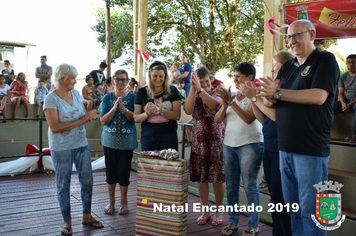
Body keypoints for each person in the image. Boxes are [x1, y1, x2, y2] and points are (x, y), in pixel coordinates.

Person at [258, 20, 339, 236]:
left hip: (309, 149)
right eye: (288, 37)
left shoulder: (325, 60)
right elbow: (271, 101)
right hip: (285, 147)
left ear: (311, 34)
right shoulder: (287, 66)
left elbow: (319, 96)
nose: (291, 41)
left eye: (296, 35)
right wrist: (265, 95)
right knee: (293, 208)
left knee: (311, 212)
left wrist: (276, 94)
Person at [239, 50, 295, 236]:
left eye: (275, 64)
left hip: (283, 148)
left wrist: (255, 97)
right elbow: (264, 120)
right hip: (270, 145)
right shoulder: (273, 88)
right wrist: (252, 98)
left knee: (282, 196)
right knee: (274, 195)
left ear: (285, 66)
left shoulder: (286, 91)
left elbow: (276, 116)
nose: (272, 69)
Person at [43, 64, 103, 235]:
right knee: (63, 184)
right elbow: (54, 127)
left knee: (87, 181)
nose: (75, 81)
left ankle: (87, 216)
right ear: (62, 79)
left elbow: (81, 116)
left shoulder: (76, 94)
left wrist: (91, 116)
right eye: (72, 78)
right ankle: (67, 222)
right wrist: (85, 118)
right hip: (61, 148)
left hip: (81, 144)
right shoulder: (51, 99)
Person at [215, 62, 263, 236]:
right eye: (233, 76)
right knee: (231, 186)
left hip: (250, 145)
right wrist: (225, 103)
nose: (234, 79)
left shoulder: (255, 95)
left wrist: (231, 102)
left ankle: (253, 225)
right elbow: (217, 120)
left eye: (238, 76)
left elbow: (249, 119)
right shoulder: (231, 95)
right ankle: (233, 222)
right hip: (229, 145)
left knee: (250, 186)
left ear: (249, 77)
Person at [183, 66, 225, 227]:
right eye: (201, 82)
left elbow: (215, 106)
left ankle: (219, 209)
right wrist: (194, 90)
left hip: (216, 138)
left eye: (207, 81)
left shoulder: (217, 90)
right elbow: (187, 110)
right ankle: (205, 209)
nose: (205, 84)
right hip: (199, 139)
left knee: (217, 176)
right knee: (201, 176)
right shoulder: (194, 92)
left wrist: (201, 90)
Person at [100, 69, 137, 216]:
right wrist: (114, 108)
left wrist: (123, 109)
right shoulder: (107, 98)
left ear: (127, 82)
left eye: (123, 80)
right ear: (113, 81)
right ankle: (111, 202)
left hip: (127, 141)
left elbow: (135, 118)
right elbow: (103, 120)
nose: (120, 82)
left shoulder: (134, 97)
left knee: (124, 172)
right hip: (109, 140)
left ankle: (123, 202)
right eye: (117, 79)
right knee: (110, 172)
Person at [134, 61, 181, 151]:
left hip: (169, 136)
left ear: (165, 76)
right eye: (155, 76)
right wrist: (146, 114)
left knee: (168, 164)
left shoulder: (173, 90)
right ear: (150, 76)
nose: (158, 79)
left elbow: (177, 115)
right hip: (148, 137)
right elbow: (136, 118)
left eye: (161, 76)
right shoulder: (142, 92)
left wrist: (161, 111)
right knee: (148, 164)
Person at [334, 54, 356, 143]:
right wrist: (343, 104)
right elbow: (341, 93)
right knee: (329, 106)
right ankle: (323, 133)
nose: (350, 64)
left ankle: (355, 135)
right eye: (348, 62)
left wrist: (350, 105)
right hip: (346, 101)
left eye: (353, 62)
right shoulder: (343, 77)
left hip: (354, 102)